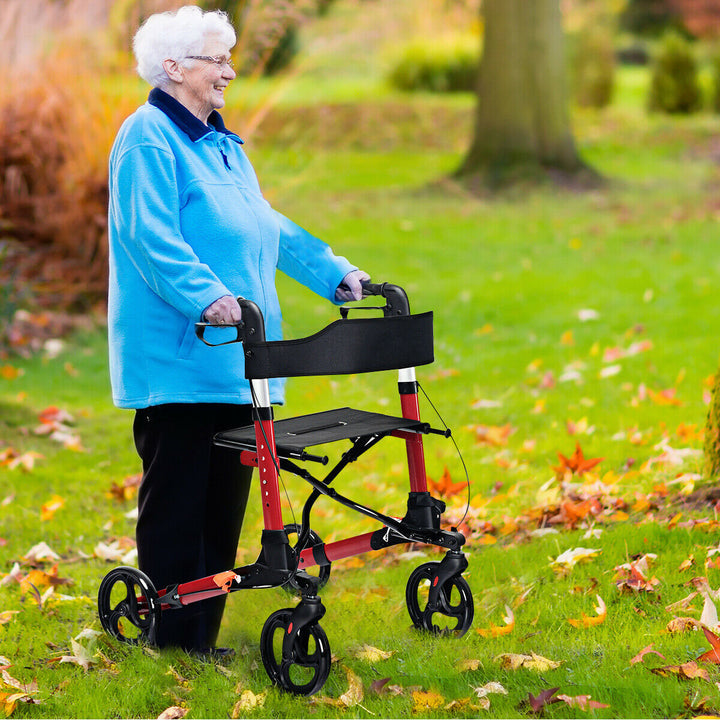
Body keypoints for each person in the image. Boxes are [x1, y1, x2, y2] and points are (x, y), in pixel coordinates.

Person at [107, 5, 369, 657]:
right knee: (179, 506)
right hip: (180, 360)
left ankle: (203, 638)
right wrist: (209, 298)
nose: (229, 71)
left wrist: (330, 271)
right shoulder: (147, 138)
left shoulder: (223, 146)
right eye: (217, 59)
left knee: (223, 509)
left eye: (228, 58)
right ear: (173, 68)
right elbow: (149, 236)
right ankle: (174, 639)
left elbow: (266, 224)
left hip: (243, 361)